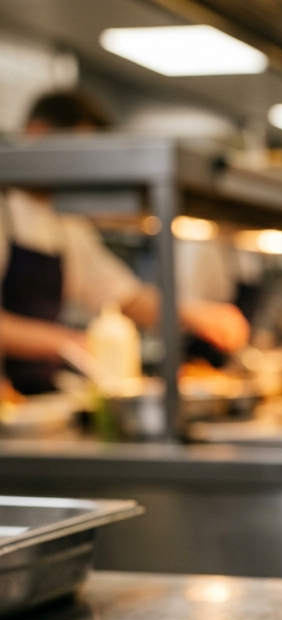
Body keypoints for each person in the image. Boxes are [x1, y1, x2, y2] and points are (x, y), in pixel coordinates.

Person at [0, 91, 248, 394]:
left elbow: (123, 296)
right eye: (77, 154)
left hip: (38, 398)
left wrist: (196, 314)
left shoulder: (65, 222)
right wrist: (70, 342)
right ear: (36, 133)